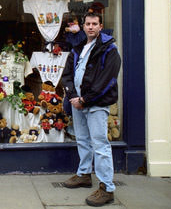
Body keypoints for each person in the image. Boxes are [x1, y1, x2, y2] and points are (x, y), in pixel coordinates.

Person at [61, 12, 121, 207]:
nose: (91, 27)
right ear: (83, 26)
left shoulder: (110, 49)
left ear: (101, 26)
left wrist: (85, 99)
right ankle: (84, 174)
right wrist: (72, 96)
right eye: (88, 24)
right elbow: (67, 74)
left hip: (95, 104)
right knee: (83, 141)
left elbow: (107, 81)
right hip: (78, 103)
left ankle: (107, 188)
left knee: (100, 145)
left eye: (95, 24)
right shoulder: (78, 48)